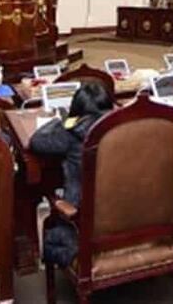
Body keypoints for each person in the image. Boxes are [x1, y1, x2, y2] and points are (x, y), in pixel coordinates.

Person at [30, 81, 113, 266]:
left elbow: (36, 142)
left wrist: (61, 120)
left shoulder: (73, 132)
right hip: (125, 215)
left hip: (84, 225)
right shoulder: (124, 128)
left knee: (52, 238)